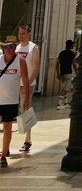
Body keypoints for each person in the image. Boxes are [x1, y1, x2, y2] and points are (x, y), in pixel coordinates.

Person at [0, 37, 29, 168]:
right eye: (6, 47)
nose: (9, 49)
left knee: (7, 127)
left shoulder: (20, 61)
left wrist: (26, 98)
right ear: (3, 48)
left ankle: (3, 155)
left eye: (11, 46)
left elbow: (25, 79)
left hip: (10, 100)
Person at [16, 24, 40, 154]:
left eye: (23, 33)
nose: (21, 36)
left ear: (29, 34)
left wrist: (27, 84)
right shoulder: (17, 48)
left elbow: (36, 68)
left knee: (25, 110)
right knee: (19, 110)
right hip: (15, 84)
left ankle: (27, 140)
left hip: (28, 84)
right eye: (19, 33)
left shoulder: (33, 47)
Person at [56, 40, 77, 108]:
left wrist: (58, 73)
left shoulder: (62, 53)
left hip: (62, 72)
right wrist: (77, 72)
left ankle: (65, 102)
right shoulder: (72, 54)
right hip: (68, 72)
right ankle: (60, 104)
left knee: (65, 87)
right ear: (71, 46)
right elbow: (74, 64)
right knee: (65, 88)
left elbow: (57, 64)